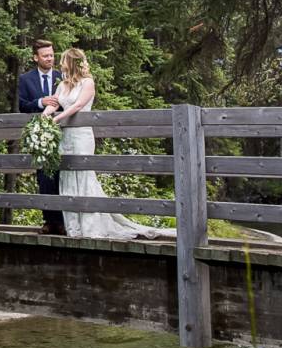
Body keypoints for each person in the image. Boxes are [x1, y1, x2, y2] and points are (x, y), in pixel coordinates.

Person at [50, 47, 170, 240]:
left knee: (84, 175)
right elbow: (54, 103)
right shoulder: (62, 84)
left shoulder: (87, 82)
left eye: (63, 60)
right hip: (66, 136)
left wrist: (57, 119)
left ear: (71, 62)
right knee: (68, 176)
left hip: (81, 135)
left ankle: (90, 224)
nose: (61, 64)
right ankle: (74, 227)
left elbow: (78, 105)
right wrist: (44, 116)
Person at [15, 39, 64, 234]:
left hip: (63, 131)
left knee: (63, 176)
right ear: (36, 57)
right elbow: (23, 105)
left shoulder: (62, 76)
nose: (50, 58)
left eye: (52, 55)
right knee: (44, 177)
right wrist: (41, 102)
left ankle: (62, 221)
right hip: (39, 135)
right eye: (45, 56)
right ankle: (49, 220)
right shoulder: (26, 79)